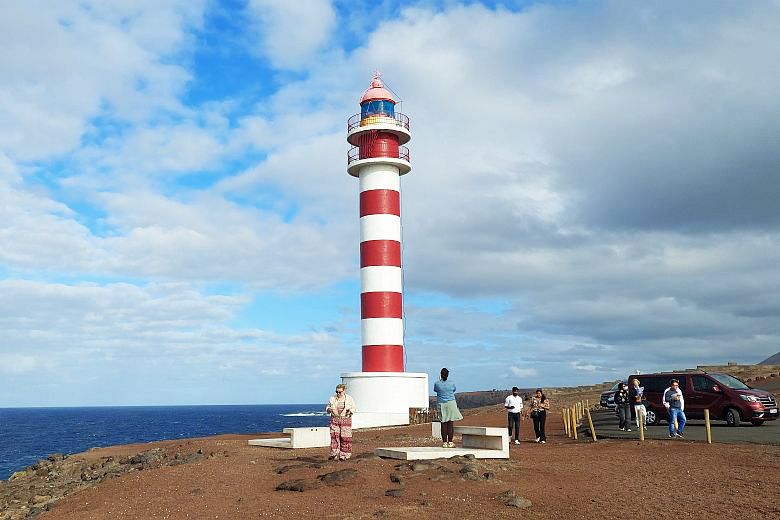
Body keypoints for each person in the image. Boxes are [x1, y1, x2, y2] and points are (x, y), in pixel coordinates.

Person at [434, 368, 462, 448]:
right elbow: (454, 389)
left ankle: (444, 442)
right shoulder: (451, 383)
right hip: (451, 403)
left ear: (440, 374)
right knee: (450, 423)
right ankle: (450, 442)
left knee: (443, 423)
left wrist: (440, 381)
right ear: (448, 375)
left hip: (442, 404)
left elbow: (435, 390)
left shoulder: (437, 383)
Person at [325, 383, 355, 460]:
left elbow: (354, 408)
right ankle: (334, 454)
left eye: (340, 392)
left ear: (344, 391)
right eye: (337, 392)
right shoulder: (332, 398)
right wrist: (329, 409)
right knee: (334, 437)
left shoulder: (349, 398)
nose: (338, 393)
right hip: (335, 419)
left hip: (345, 420)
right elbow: (327, 407)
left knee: (345, 437)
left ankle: (344, 455)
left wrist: (350, 411)